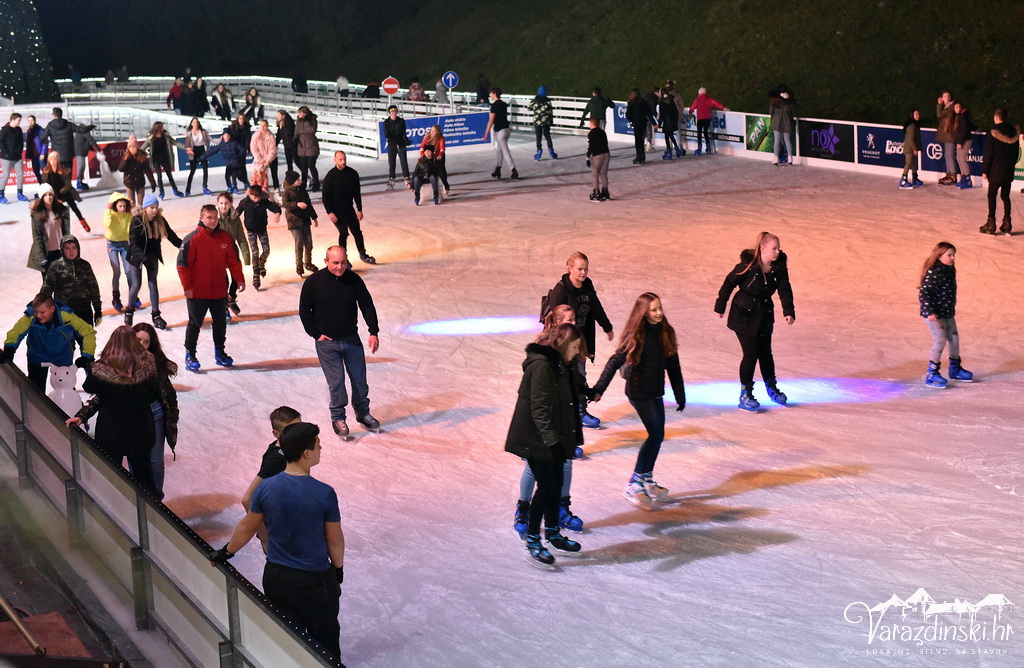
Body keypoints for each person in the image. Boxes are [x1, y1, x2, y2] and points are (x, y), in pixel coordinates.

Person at [209, 422, 344, 661]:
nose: (321, 449)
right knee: (325, 644)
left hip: (277, 578)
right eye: (318, 446)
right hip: (315, 582)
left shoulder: (267, 487)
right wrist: (338, 569)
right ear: (306, 453)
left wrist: (226, 553)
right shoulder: (324, 493)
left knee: (284, 639)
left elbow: (247, 527)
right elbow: (334, 540)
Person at [592, 293, 686, 510]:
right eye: (654, 310)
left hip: (655, 391)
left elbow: (673, 366)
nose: (659, 312)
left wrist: (680, 394)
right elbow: (615, 361)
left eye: (660, 308)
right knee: (655, 435)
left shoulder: (665, 332)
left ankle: (645, 479)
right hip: (638, 391)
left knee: (658, 436)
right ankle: (635, 483)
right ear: (643, 313)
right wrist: (599, 389)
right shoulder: (636, 335)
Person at [504, 323, 585, 568]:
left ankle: (552, 533)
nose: (577, 351)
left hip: (553, 436)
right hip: (535, 439)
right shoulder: (541, 365)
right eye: (575, 346)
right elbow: (538, 409)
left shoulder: (559, 364)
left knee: (556, 484)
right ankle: (532, 539)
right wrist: (552, 441)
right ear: (563, 344)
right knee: (547, 486)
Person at [298, 246, 380, 437]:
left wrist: (373, 331)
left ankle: (363, 413)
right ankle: (338, 417)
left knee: (360, 381)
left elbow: (367, 305)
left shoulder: (354, 280)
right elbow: (304, 311)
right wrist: (316, 334)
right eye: (335, 263)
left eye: (343, 262)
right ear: (326, 261)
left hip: (352, 340)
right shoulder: (314, 282)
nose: (340, 267)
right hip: (327, 344)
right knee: (337, 384)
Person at [67, 326, 158, 492]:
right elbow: (153, 395)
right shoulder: (149, 369)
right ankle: (152, 516)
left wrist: (82, 415)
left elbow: (94, 392)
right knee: (144, 479)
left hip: (111, 435)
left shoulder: (101, 373)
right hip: (140, 433)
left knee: (110, 481)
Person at [714, 231, 795, 411]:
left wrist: (788, 311)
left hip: (764, 315)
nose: (777, 252)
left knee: (766, 353)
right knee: (751, 354)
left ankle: (771, 388)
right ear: (763, 248)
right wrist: (720, 306)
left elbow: (785, 290)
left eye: (778, 248)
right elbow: (729, 283)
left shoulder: (778, 269)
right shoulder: (747, 266)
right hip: (743, 315)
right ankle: (745, 394)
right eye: (774, 248)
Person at [544, 251, 614, 427]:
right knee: (561, 379)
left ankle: (580, 411)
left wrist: (607, 327)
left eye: (586, 269)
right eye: (579, 269)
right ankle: (557, 414)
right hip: (563, 344)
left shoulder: (587, 287)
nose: (583, 273)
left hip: (580, 342)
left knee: (580, 376)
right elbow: (555, 320)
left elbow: (596, 308)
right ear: (570, 269)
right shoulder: (561, 291)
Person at [176, 204, 245, 372]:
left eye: (215, 217)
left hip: (219, 291)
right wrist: (187, 288)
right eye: (209, 217)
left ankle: (219, 352)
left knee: (220, 323)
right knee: (195, 323)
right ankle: (190, 354)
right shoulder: (192, 239)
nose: (213, 221)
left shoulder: (225, 238)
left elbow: (234, 261)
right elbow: (182, 265)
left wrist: (240, 279)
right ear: (201, 218)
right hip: (198, 292)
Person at [2, 294, 96, 392]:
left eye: (42, 312)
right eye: (36, 311)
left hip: (62, 358)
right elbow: (17, 331)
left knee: (66, 389)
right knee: (35, 392)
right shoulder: (30, 317)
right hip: (37, 357)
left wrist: (86, 355)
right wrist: (10, 347)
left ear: (52, 309)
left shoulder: (66, 316)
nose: (38, 315)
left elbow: (88, 332)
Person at [240, 406, 303, 551]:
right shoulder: (276, 460)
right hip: (279, 531)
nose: (298, 434)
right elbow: (247, 499)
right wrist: (264, 536)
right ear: (276, 433)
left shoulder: (287, 450)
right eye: (290, 431)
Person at [132, 323, 179, 500]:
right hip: (132, 417)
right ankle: (138, 498)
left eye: (146, 342)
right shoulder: (120, 362)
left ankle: (156, 499)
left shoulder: (155, 364)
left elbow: (170, 394)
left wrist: (172, 417)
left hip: (155, 414)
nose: (142, 344)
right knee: (135, 459)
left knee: (156, 462)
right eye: (138, 340)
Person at [918, 242, 973, 388]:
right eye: (949, 255)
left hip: (947, 312)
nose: (953, 258)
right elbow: (924, 293)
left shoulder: (949, 270)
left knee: (954, 338)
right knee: (940, 340)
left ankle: (955, 369)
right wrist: (929, 311)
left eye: (954, 255)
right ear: (939, 255)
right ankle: (932, 373)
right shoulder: (934, 272)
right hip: (934, 314)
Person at [125, 194, 183, 329]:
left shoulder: (160, 220)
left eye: (156, 207)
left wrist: (183, 246)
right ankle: (129, 311)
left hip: (152, 255)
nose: (154, 210)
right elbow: (133, 245)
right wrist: (144, 259)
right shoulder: (137, 221)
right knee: (136, 285)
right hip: (136, 257)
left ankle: (156, 315)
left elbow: (171, 235)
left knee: (153, 284)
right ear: (145, 208)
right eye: (151, 207)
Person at [322, 151, 375, 264]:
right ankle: (343, 259)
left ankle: (362, 253)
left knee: (357, 231)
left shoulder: (352, 174)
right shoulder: (330, 176)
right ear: (335, 160)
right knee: (343, 232)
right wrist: (330, 212)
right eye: (340, 159)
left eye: (344, 159)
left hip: (349, 209)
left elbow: (357, 193)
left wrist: (359, 209)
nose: (343, 161)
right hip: (336, 211)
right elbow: (325, 197)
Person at [41, 234, 102, 326]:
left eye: (74, 248)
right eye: (67, 248)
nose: (71, 252)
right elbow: (47, 290)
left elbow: (93, 288)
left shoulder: (85, 266)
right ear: (62, 249)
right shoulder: (56, 266)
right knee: (66, 340)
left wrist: (97, 310)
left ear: (78, 248)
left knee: (86, 339)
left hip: (84, 310)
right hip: (64, 312)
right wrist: (43, 311)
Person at [980, 108, 1019, 235]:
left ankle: (991, 223)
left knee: (992, 195)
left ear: (996, 118)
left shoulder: (993, 133)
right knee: (1005, 196)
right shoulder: (1014, 133)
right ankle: (1007, 222)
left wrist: (985, 170)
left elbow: (989, 154)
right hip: (1008, 171)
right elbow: (1016, 154)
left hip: (996, 171)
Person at [236, 185, 281, 289]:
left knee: (266, 250)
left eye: (258, 197)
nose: (256, 199)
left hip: (262, 230)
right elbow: (237, 212)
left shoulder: (263, 202)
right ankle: (256, 273)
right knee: (255, 252)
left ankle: (261, 263)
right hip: (251, 231)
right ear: (250, 195)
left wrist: (277, 213)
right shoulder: (245, 203)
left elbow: (274, 207)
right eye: (254, 197)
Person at [215, 192, 249, 317]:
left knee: (236, 276)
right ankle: (224, 305)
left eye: (226, 203)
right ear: (217, 204)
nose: (224, 206)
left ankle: (231, 297)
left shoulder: (235, 218)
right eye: (221, 203)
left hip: (232, 251)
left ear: (231, 204)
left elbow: (241, 237)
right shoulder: (213, 218)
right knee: (223, 280)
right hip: (217, 253)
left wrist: (246, 255)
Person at [27, 184, 70, 280]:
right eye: (45, 195)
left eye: (50, 194)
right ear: (41, 197)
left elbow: (66, 231)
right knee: (48, 284)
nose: (48, 197)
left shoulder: (61, 210)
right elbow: (37, 237)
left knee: (63, 282)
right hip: (47, 254)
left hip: (60, 251)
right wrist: (41, 257)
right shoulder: (37, 214)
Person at [281, 171, 318, 277]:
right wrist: (296, 204)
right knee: (299, 243)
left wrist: (314, 217)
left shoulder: (302, 190)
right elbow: (285, 204)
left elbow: (308, 204)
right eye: (297, 179)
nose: (300, 181)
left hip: (305, 219)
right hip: (294, 221)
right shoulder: (287, 192)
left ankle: (308, 263)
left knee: (309, 243)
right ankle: (299, 265)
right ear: (292, 182)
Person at [102, 192, 135, 311]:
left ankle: (134, 296)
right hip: (112, 244)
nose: (122, 208)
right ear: (115, 206)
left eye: (124, 206)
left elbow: (134, 222)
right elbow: (106, 224)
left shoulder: (128, 215)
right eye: (120, 206)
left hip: (125, 244)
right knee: (117, 271)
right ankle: (116, 298)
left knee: (129, 271)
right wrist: (108, 210)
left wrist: (132, 208)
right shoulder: (111, 214)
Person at [43, 151, 89, 232]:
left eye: (55, 160)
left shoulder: (65, 170)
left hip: (65, 192)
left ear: (58, 161)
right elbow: (46, 186)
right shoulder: (46, 173)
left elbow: (68, 185)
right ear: (49, 161)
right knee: (53, 208)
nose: (53, 162)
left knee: (74, 206)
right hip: (54, 194)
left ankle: (82, 220)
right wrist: (54, 196)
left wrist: (61, 194)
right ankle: (54, 224)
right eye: (51, 160)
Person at [142, 122, 184, 199]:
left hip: (165, 157)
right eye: (162, 126)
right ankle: (161, 191)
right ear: (158, 128)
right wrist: (135, 154)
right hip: (156, 159)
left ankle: (175, 190)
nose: (164, 128)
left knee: (169, 175)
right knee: (159, 175)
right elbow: (143, 148)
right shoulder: (151, 138)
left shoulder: (166, 136)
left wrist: (185, 148)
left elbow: (175, 142)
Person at [484, 87, 517, 180]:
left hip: (500, 131)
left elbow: (491, 120)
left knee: (505, 151)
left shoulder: (494, 106)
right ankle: (497, 169)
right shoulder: (503, 104)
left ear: (494, 94)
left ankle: (513, 170)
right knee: (499, 150)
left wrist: (486, 133)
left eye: (490, 93)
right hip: (507, 129)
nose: (489, 95)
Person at [117, 136, 157, 208]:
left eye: (134, 146)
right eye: (130, 147)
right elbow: (120, 169)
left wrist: (152, 182)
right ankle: (134, 218)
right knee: (132, 204)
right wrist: (125, 161)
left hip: (140, 182)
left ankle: (141, 217)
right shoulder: (126, 157)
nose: (132, 148)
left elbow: (148, 171)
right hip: (129, 183)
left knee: (141, 205)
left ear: (137, 147)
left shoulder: (142, 156)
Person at [689, 87, 728, 156]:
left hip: (700, 118)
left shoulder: (697, 100)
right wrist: (723, 107)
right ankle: (708, 147)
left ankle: (699, 148)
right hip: (707, 118)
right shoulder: (708, 99)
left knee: (699, 133)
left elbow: (692, 107)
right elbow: (716, 103)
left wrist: (690, 112)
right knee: (706, 132)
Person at [0, 112, 28, 204]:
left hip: (17, 157)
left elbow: (21, 142)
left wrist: (19, 152)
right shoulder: (4, 130)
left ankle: (20, 194)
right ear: (13, 119)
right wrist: (6, 152)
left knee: (20, 175)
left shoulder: (18, 130)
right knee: (5, 176)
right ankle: (1, 194)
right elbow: (1, 142)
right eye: (18, 120)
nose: (19, 122)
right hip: (6, 158)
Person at [383, 105, 411, 191]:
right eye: (392, 112)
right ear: (389, 113)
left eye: (395, 112)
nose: (394, 113)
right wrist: (392, 140)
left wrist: (405, 140)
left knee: (404, 161)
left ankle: (407, 178)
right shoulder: (386, 122)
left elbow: (403, 133)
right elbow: (387, 134)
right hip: (392, 144)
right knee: (392, 163)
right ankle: (391, 179)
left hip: (401, 144)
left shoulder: (401, 121)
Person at [626, 88, 656, 165]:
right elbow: (649, 113)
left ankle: (639, 156)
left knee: (637, 140)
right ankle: (642, 156)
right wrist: (654, 123)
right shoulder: (643, 102)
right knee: (641, 140)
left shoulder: (631, 103)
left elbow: (628, 114)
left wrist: (631, 120)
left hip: (636, 123)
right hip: (643, 123)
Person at [294, 106, 320, 191]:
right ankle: (303, 184)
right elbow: (297, 131)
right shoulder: (298, 121)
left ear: (305, 113)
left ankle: (316, 183)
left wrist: (306, 121)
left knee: (312, 166)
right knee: (303, 167)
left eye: (300, 113)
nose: (298, 114)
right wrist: (295, 140)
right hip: (302, 147)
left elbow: (312, 130)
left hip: (311, 146)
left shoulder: (312, 119)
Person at [184, 117, 212, 196]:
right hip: (194, 152)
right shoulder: (189, 134)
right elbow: (187, 145)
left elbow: (211, 139)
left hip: (202, 150)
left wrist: (220, 139)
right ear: (191, 124)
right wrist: (188, 150)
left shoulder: (202, 132)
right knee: (192, 171)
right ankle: (188, 189)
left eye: (197, 122)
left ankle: (205, 187)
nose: (196, 123)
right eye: (194, 122)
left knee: (205, 170)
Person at [419, 125, 451, 194]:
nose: (432, 132)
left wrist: (440, 155)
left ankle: (446, 186)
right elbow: (422, 147)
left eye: (434, 131)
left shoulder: (441, 138)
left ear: (437, 132)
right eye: (431, 130)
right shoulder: (427, 137)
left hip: (438, 156)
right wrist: (422, 155)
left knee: (441, 172)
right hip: (430, 156)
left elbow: (442, 149)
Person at [528, 86, 557, 161]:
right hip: (546, 122)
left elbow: (528, 108)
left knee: (538, 137)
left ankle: (539, 151)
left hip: (537, 122)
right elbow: (550, 111)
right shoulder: (547, 101)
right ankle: (551, 151)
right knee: (547, 136)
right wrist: (551, 121)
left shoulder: (534, 101)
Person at [586, 116, 611, 201]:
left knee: (595, 173)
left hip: (598, 155)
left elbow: (590, 146)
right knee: (603, 173)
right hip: (606, 154)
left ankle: (596, 191)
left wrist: (587, 157)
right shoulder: (602, 132)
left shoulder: (591, 133)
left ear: (592, 123)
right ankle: (605, 191)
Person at [769, 89, 796, 166]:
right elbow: (793, 113)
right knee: (787, 140)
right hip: (787, 122)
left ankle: (776, 158)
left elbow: (771, 112)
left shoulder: (775, 102)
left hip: (777, 122)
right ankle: (790, 158)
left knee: (777, 141)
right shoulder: (789, 104)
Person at [952, 101, 976, 189]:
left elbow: (964, 130)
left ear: (961, 107)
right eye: (955, 107)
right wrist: (976, 128)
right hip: (961, 140)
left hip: (965, 140)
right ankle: (963, 178)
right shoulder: (958, 116)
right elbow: (969, 125)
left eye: (958, 107)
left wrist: (959, 142)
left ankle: (968, 180)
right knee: (958, 158)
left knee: (962, 159)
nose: (957, 109)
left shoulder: (963, 116)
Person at [936, 92, 957, 185]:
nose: (947, 97)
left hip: (950, 135)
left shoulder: (950, 107)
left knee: (950, 155)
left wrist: (939, 105)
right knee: (947, 155)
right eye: (945, 96)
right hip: (947, 134)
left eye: (948, 96)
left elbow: (939, 114)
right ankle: (949, 174)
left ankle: (953, 176)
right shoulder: (947, 107)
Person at [250, 119, 278, 191]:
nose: (262, 127)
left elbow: (272, 149)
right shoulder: (255, 136)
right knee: (256, 174)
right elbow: (253, 148)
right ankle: (255, 190)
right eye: (261, 126)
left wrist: (267, 160)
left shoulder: (271, 136)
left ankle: (276, 189)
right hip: (259, 159)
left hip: (271, 158)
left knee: (273, 174)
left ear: (267, 126)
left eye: (264, 126)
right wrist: (260, 159)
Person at [899, 110, 924, 189]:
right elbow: (910, 139)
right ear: (912, 115)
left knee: (913, 164)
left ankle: (915, 178)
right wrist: (915, 149)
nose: (918, 115)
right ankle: (903, 180)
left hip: (912, 148)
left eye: (918, 114)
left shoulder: (915, 125)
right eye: (916, 114)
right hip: (909, 148)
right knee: (909, 163)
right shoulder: (912, 126)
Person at [72, 122, 101, 191]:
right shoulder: (84, 131)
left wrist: (93, 149)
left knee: (82, 166)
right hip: (79, 152)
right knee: (81, 166)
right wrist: (99, 149)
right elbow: (91, 140)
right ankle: (79, 182)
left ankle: (80, 181)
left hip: (80, 151)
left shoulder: (82, 130)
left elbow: (86, 143)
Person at [657, 89, 682, 160]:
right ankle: (677, 149)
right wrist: (675, 120)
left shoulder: (662, 102)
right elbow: (676, 111)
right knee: (670, 135)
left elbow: (662, 114)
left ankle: (669, 152)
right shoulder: (671, 100)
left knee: (667, 136)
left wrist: (659, 124)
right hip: (672, 121)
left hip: (667, 122)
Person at [25, 115, 46, 185]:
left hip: (40, 155)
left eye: (32, 120)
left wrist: (43, 153)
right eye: (29, 121)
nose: (30, 122)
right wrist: (27, 156)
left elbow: (45, 141)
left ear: (35, 121)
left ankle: (48, 187)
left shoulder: (40, 130)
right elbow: (28, 144)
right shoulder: (28, 131)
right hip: (34, 156)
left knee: (44, 172)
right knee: (36, 171)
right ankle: (42, 186)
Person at [276, 110, 297, 175]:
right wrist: (275, 144)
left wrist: (283, 127)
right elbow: (279, 135)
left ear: (283, 116)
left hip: (293, 145)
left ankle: (306, 176)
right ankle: (290, 177)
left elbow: (290, 133)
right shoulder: (280, 125)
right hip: (286, 146)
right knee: (289, 162)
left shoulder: (289, 123)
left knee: (297, 161)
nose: (277, 117)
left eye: (279, 115)